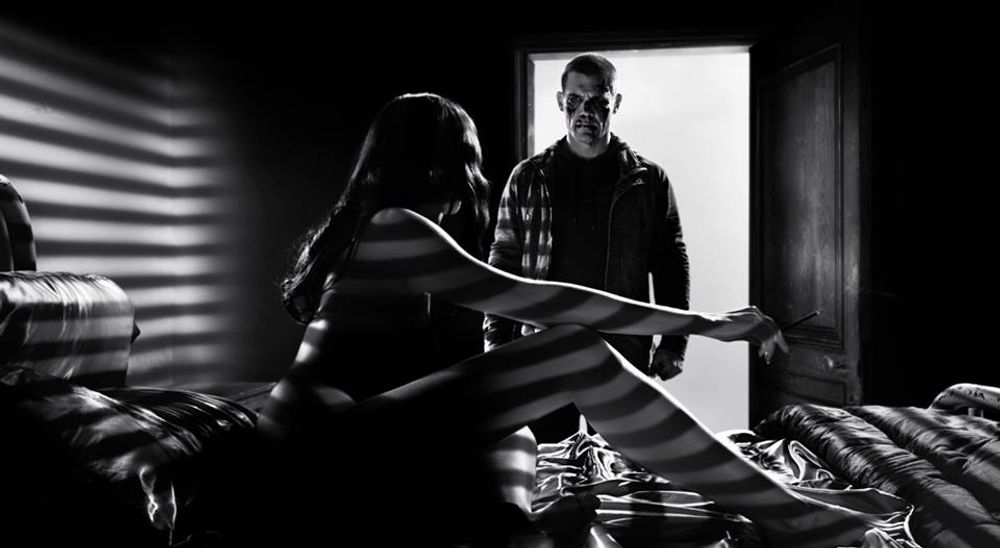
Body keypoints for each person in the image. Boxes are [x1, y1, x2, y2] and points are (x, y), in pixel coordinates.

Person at [254, 92, 868, 548]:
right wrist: (703, 322)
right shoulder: (397, 229)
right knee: (573, 348)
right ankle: (791, 515)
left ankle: (514, 528)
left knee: (515, 431)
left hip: (332, 444)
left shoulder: (369, 233)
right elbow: (545, 301)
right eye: (468, 157)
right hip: (320, 453)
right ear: (442, 163)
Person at [485, 53, 689, 441]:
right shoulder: (529, 177)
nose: (585, 113)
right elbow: (503, 263)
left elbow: (670, 262)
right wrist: (495, 342)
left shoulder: (648, 180)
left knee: (620, 463)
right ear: (560, 101)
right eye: (575, 101)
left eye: (597, 102)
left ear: (616, 103)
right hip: (544, 349)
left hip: (621, 352)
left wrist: (674, 343)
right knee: (546, 460)